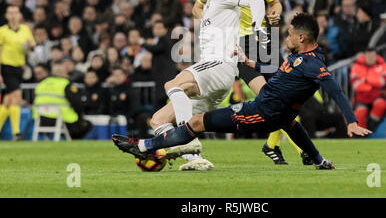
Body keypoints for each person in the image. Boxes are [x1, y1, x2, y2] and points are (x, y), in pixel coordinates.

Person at [113, 13, 371, 169]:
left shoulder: (313, 64)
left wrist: (351, 121)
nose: (287, 38)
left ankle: (145, 145)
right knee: (290, 123)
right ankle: (318, 160)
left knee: (196, 122)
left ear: (302, 38)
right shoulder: (305, 57)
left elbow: (335, 90)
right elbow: (285, 77)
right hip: (278, 112)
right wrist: (253, 65)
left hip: (260, 111)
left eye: (291, 35)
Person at [194, 0, 304, 166]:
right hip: (239, 46)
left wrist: (275, 12)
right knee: (271, 98)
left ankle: (272, 145)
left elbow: (274, 1)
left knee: (286, 99)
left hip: (265, 40)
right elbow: (197, 9)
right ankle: (305, 152)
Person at [146, 0, 266, 171]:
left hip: (219, 66)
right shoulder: (210, 6)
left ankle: (187, 141)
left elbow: (256, 1)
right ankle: (195, 160)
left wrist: (258, 31)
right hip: (212, 77)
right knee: (157, 120)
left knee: (172, 85)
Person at [0, 5, 35, 140]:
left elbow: (31, 48)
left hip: (19, 67)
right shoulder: (2, 31)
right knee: (17, 96)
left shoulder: (25, 30)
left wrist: (31, 46)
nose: (14, 15)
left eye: (16, 12)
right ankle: (16, 132)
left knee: (8, 101)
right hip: (6, 66)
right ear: (7, 16)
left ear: (20, 15)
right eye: (11, 13)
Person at [32, 63, 92, 139]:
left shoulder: (41, 84)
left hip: (40, 119)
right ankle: (74, 143)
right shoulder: (65, 84)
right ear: (63, 73)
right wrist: (80, 115)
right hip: (62, 119)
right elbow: (77, 104)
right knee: (86, 124)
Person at [350, 47, 386, 132]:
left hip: (377, 96)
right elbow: (355, 85)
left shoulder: (384, 66)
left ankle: (370, 127)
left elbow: (383, 82)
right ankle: (359, 136)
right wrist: (373, 83)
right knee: (360, 112)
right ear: (364, 56)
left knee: (381, 104)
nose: (370, 58)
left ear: (376, 56)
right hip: (361, 98)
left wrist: (366, 80)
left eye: (372, 56)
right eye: (368, 56)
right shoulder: (356, 66)